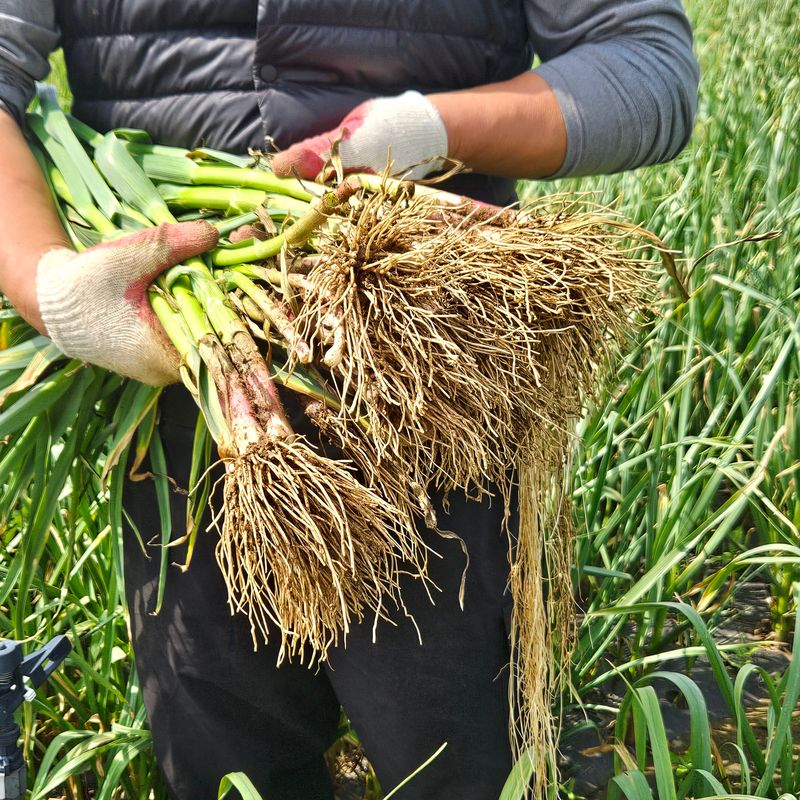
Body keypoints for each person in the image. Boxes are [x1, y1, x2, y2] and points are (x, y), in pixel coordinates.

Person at [0, 2, 699, 798]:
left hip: (428, 377)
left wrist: (435, 127)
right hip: (165, 386)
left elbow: (647, 64)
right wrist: (49, 286)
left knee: (457, 759)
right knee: (222, 765)